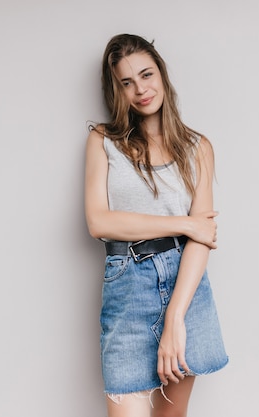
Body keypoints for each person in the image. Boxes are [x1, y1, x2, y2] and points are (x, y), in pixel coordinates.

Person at [84, 33, 228, 417]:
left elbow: (202, 239)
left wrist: (175, 319)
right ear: (116, 90)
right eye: (126, 82)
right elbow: (99, 222)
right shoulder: (103, 141)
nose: (140, 90)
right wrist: (184, 223)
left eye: (146, 75)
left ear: (161, 74)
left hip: (185, 287)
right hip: (129, 289)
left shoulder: (198, 148)